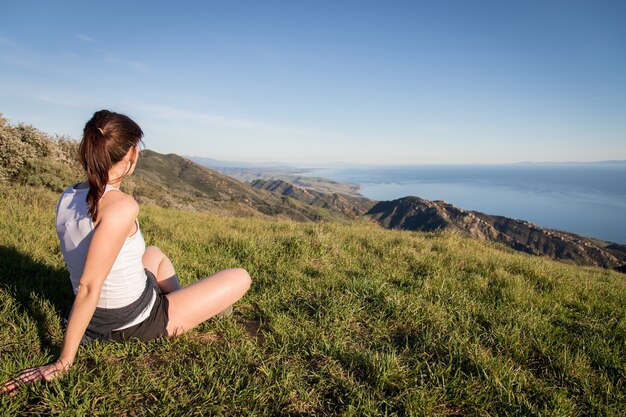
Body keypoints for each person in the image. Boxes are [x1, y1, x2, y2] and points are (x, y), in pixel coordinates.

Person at [1, 110, 251, 395]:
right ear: (132, 156)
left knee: (155, 253)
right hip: (128, 323)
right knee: (240, 277)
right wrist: (63, 361)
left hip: (102, 309)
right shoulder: (121, 205)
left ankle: (179, 305)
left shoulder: (69, 195)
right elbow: (89, 286)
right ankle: (174, 319)